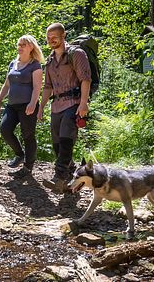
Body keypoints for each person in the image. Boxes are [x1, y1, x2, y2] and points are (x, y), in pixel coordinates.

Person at [38, 23, 91, 193]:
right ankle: (71, 175)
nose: (51, 40)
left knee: (67, 138)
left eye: (54, 36)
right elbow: (47, 87)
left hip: (73, 103)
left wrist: (83, 103)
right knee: (57, 144)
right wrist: (41, 107)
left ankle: (58, 177)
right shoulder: (50, 60)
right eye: (48, 37)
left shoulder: (77, 54)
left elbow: (85, 79)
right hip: (56, 106)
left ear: (63, 35)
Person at [0, 35, 44, 178]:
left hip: (27, 105)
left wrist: (33, 103)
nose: (20, 47)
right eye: (19, 44)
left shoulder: (35, 65)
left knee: (28, 135)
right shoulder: (12, 63)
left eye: (23, 45)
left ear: (31, 47)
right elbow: (7, 84)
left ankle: (28, 167)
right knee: (5, 129)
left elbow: (37, 87)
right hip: (12, 106)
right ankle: (19, 154)